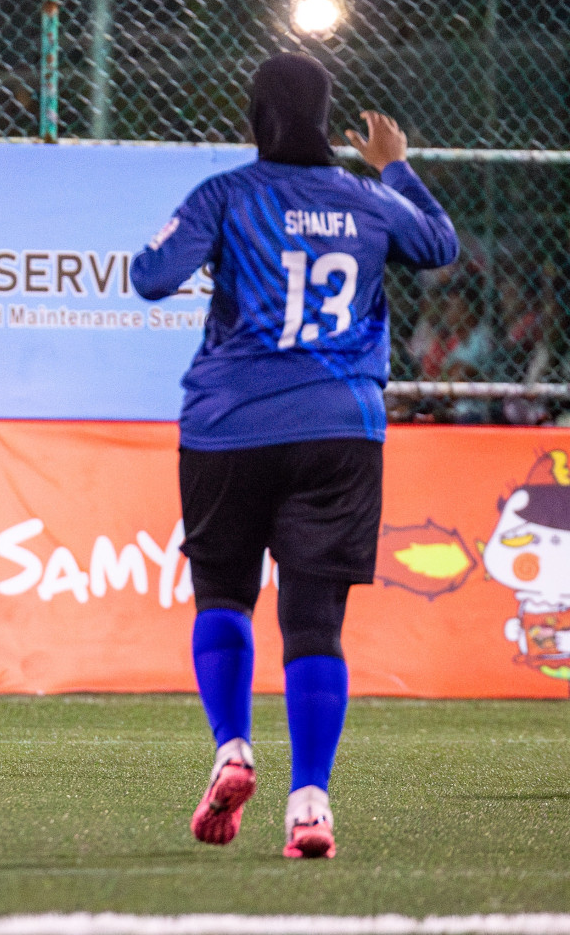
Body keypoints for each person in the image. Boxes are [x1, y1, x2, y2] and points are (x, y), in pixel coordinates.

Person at [130, 53, 457, 859]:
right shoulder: (369, 197)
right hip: (341, 429)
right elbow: (440, 246)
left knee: (224, 596)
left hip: (229, 425)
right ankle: (310, 803)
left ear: (256, 117)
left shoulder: (230, 194)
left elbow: (149, 276)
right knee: (316, 622)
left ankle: (233, 748)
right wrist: (396, 167)